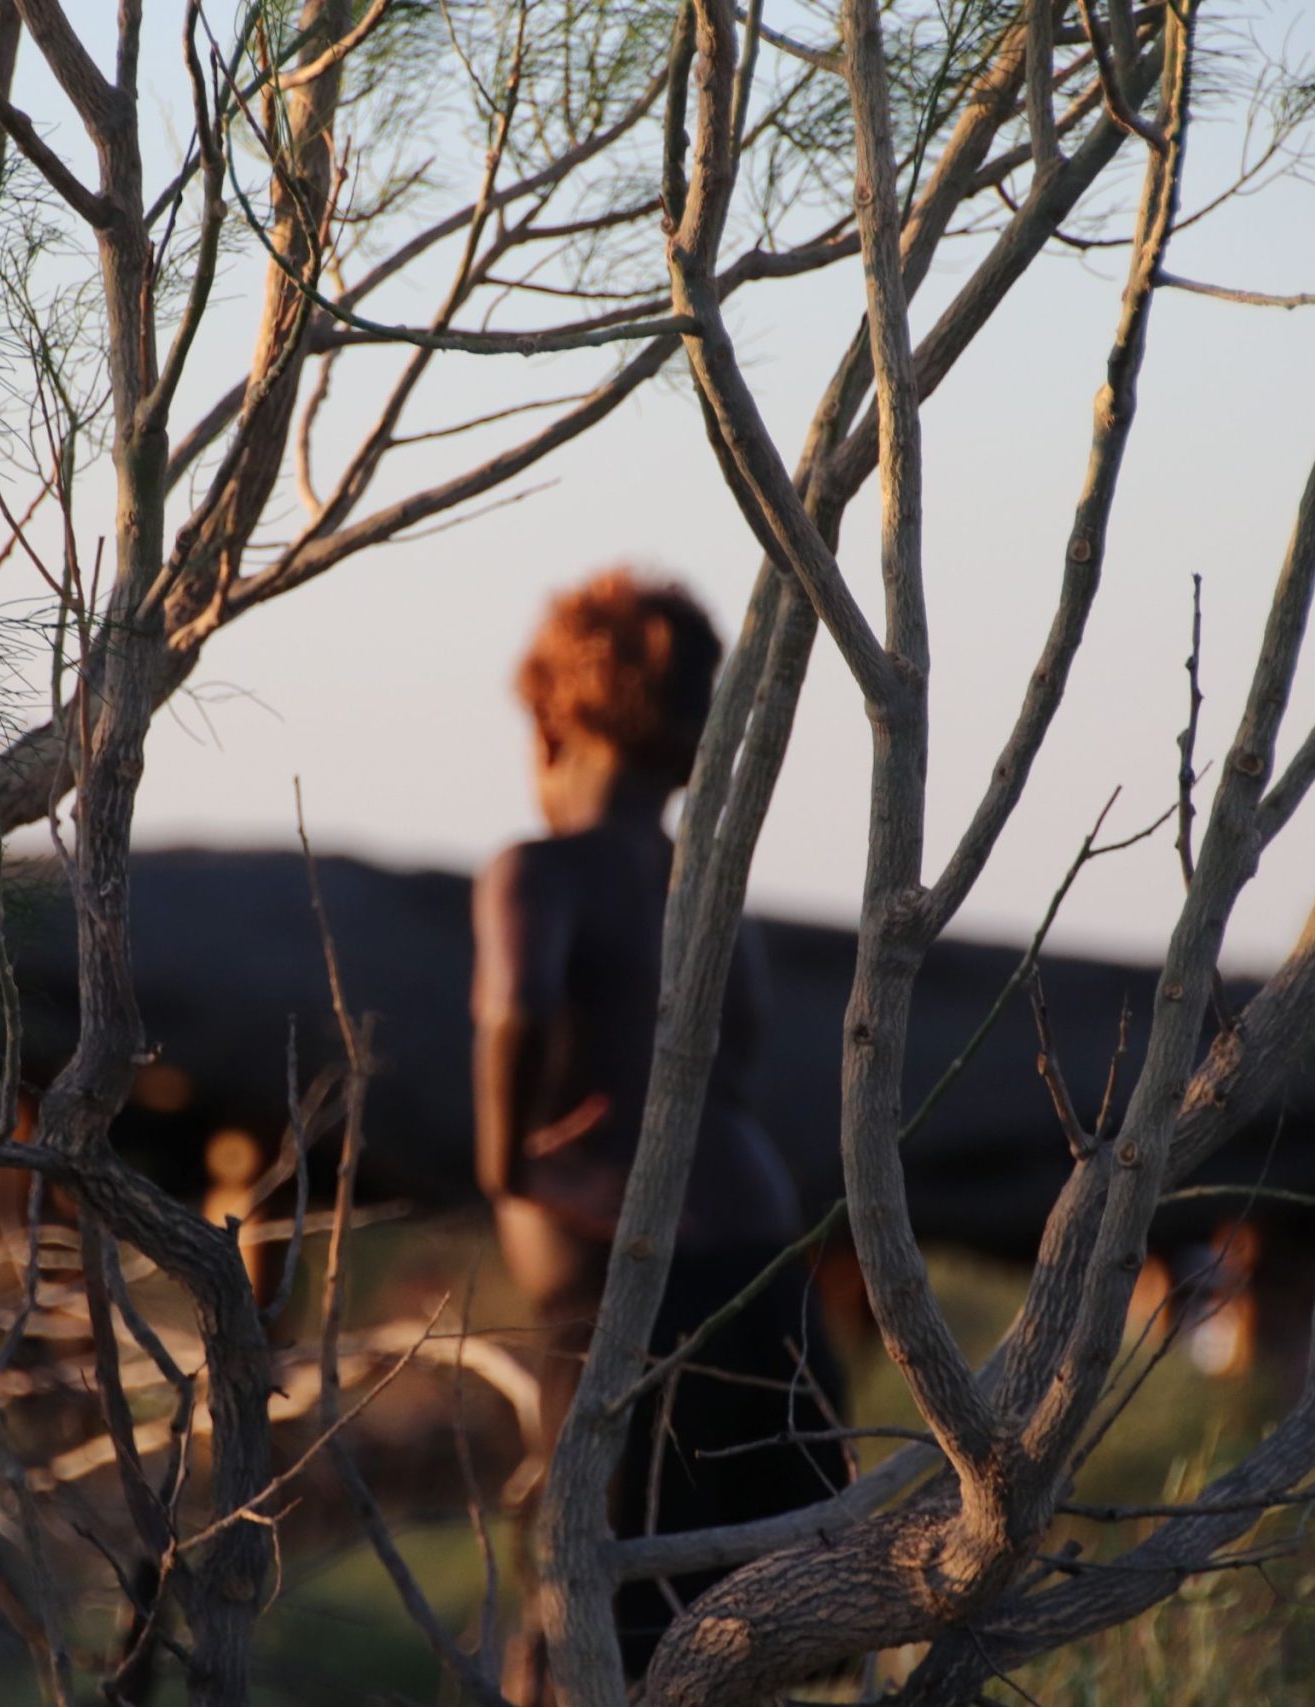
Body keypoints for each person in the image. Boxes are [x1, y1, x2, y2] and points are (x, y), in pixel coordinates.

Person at [473, 570, 845, 1694]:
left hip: (636, 1307)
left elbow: (520, 1006)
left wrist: (506, 1160)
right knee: (746, 1633)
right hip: (769, 1279)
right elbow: (726, 1064)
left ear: (552, 719)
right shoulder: (705, 886)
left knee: (597, 1633)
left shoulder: (536, 872)